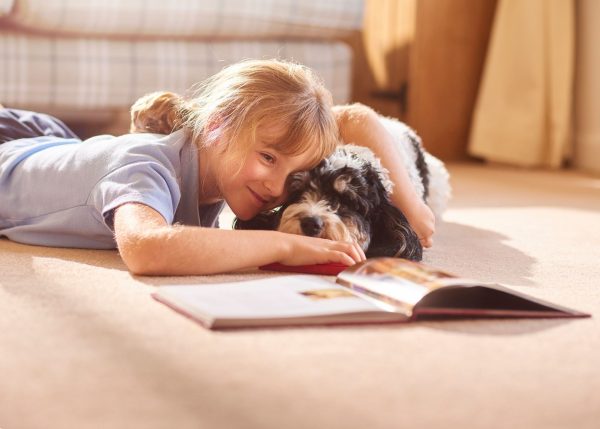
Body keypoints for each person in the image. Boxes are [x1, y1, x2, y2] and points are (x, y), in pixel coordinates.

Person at [0, 59, 434, 276]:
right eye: (268, 157)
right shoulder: (146, 166)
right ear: (215, 126)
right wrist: (283, 246)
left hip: (50, 142)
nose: (276, 187)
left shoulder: (215, 172)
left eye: (293, 177)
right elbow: (146, 248)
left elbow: (353, 119)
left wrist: (409, 211)